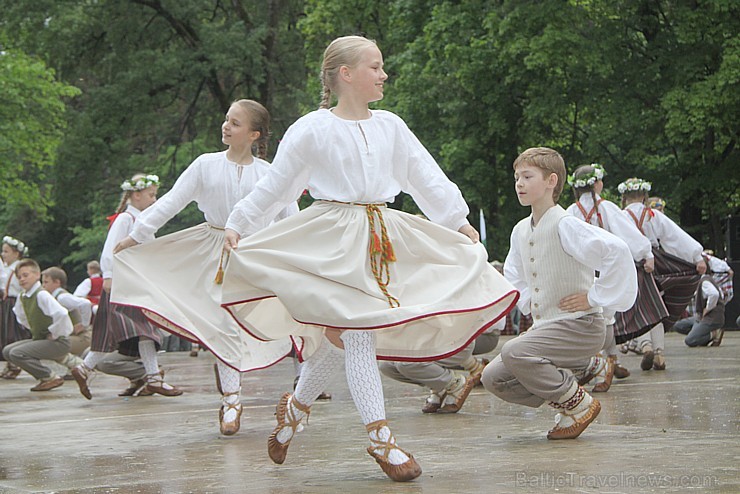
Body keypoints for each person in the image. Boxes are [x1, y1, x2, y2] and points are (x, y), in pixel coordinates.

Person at [221, 36, 518, 481]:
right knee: (358, 335)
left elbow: (425, 175)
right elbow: (277, 187)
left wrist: (456, 220)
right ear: (345, 74)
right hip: (332, 241)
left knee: (347, 339)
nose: (383, 74)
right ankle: (381, 439)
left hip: (382, 238)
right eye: (375, 66)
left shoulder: (391, 126)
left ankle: (295, 411)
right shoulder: (312, 128)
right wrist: (238, 221)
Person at [111, 99, 295, 436]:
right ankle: (232, 399)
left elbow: (290, 217)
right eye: (226, 119)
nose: (226, 126)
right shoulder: (205, 165)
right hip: (212, 252)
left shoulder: (270, 175)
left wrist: (299, 256)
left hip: (258, 254)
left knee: (277, 321)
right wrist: (138, 235)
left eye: (235, 123)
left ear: (254, 134)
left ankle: (301, 392)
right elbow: (171, 201)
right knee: (222, 324)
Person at [481, 147, 636, 441]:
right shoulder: (519, 231)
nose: (519, 184)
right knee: (493, 377)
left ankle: (579, 405)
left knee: (514, 351)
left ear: (551, 181)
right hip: (548, 328)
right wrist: (528, 301)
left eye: (527, 176)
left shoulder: (567, 224)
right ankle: (568, 397)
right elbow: (514, 275)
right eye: (517, 177)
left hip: (580, 325)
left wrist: (594, 298)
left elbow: (617, 252)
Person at [71, 174, 182, 399]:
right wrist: (109, 276)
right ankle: (153, 378)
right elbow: (110, 248)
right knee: (145, 330)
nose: (155, 199)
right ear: (137, 194)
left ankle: (85, 368)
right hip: (124, 285)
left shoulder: (143, 221)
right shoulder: (125, 219)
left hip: (135, 284)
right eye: (151, 195)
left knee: (123, 332)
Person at [566, 164, 662, 391]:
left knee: (592, 315)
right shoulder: (607, 208)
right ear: (597, 184)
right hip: (606, 270)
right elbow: (626, 234)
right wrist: (646, 253)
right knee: (605, 316)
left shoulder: (571, 211)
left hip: (581, 271)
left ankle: (609, 361)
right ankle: (605, 364)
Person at [619, 177, 706, 370]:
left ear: (624, 197)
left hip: (630, 264)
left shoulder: (619, 216)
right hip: (656, 263)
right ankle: (659, 353)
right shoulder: (652, 215)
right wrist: (697, 257)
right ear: (643, 196)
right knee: (656, 306)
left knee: (638, 307)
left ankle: (645, 345)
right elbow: (674, 235)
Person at [379, 320, 501, 414]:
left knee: (407, 363)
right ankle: (438, 385)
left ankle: (455, 383)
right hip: (430, 339)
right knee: (387, 365)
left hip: (463, 338)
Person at [2, 259, 74, 391]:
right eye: (19, 277)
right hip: (41, 339)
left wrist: (55, 333)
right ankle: (64, 361)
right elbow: (21, 317)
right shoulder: (23, 296)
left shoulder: (42, 294)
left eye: (25, 275)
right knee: (7, 351)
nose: (22, 279)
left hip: (58, 341)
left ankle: (49, 377)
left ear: (37, 275)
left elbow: (62, 314)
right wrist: (35, 329)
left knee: (17, 353)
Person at [42, 266, 93, 359]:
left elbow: (86, 303)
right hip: (72, 337)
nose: (43, 286)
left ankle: (78, 365)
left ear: (57, 282)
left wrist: (84, 325)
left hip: (82, 338)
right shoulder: (53, 298)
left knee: (48, 346)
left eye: (46, 282)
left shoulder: (62, 297)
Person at [1, 235, 32, 379]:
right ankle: (9, 364)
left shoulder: (19, 269)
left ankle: (16, 365)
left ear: (16, 253)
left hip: (16, 303)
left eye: (6, 251)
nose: (3, 254)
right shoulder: (7, 269)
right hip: (7, 303)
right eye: (3, 251)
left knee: (14, 334)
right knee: (5, 334)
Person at [673, 274, 726, 347]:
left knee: (690, 341)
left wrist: (707, 308)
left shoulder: (705, 282)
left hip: (711, 319)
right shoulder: (705, 280)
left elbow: (714, 294)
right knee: (678, 326)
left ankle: (714, 334)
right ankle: (700, 334)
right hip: (701, 317)